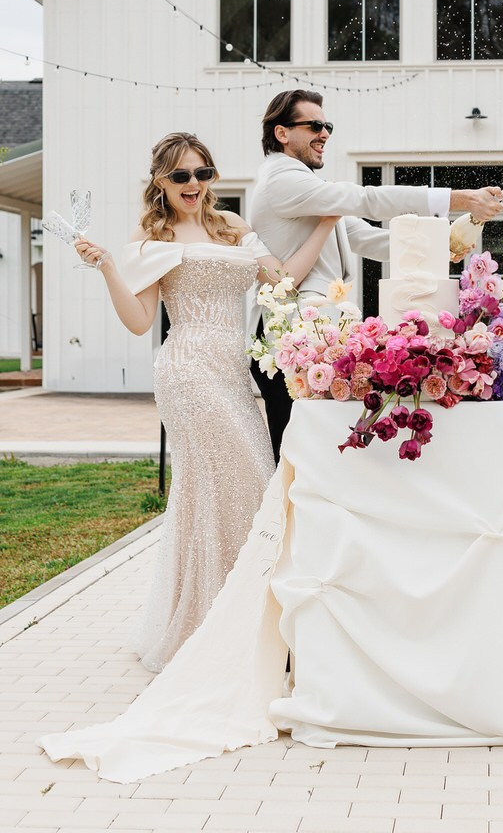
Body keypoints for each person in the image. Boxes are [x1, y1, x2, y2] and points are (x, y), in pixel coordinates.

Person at [76, 131, 337, 672]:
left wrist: (327, 223)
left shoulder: (232, 227)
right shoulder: (152, 239)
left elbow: (283, 282)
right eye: (181, 176)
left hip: (232, 372)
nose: (193, 185)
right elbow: (139, 321)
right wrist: (107, 267)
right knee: (233, 480)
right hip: (188, 370)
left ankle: (247, 622)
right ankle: (214, 628)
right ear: (160, 182)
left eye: (202, 173)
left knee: (243, 485)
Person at [249, 88, 503, 461]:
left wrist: (438, 246)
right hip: (285, 340)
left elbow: (363, 236)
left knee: (315, 452)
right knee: (297, 453)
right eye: (315, 125)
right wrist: (457, 198)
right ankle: (282, 518)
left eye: (328, 126)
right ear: (282, 133)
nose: (325, 134)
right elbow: (368, 199)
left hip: (311, 337)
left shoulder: (307, 187)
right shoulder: (283, 181)